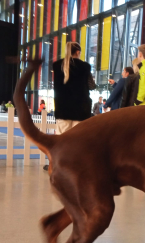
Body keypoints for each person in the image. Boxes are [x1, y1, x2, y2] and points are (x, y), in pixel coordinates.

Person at [46, 41, 95, 171]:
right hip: (81, 109)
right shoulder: (85, 67)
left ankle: (60, 166)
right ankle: (77, 167)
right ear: (78, 52)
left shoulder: (57, 65)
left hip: (63, 108)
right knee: (79, 140)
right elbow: (91, 85)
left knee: (62, 138)